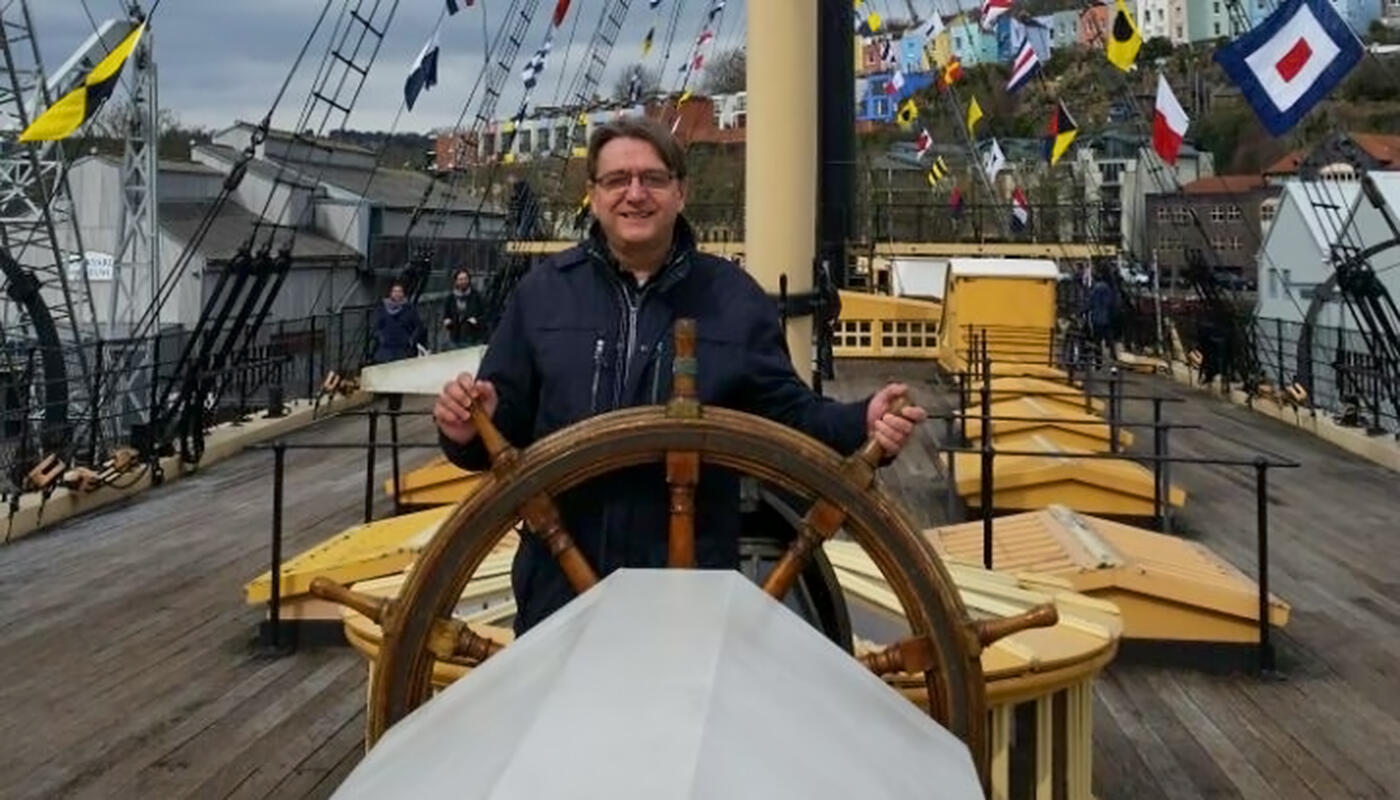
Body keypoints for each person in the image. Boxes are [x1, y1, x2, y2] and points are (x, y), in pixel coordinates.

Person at [434, 116, 926, 634]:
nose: (635, 194)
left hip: (689, 590)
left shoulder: (733, 300)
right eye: (617, 180)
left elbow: (791, 417)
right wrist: (465, 428)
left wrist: (861, 423)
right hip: (558, 592)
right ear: (594, 196)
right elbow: (500, 428)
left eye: (653, 178)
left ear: (680, 193)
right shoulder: (540, 296)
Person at [372, 281, 425, 364]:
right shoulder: (382, 309)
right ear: (390, 293)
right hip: (386, 349)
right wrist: (381, 338)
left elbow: (418, 326)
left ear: (403, 294)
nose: (397, 294)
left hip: (404, 349)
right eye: (395, 291)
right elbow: (377, 326)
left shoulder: (410, 309)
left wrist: (411, 340)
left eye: (399, 291)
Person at [1086, 268, 1117, 368]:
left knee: (1097, 341)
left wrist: (1084, 311)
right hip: (1106, 318)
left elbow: (1090, 303)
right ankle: (1114, 358)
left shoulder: (1095, 288)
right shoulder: (1107, 288)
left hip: (1096, 318)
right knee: (1109, 339)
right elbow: (1110, 303)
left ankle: (1098, 361)